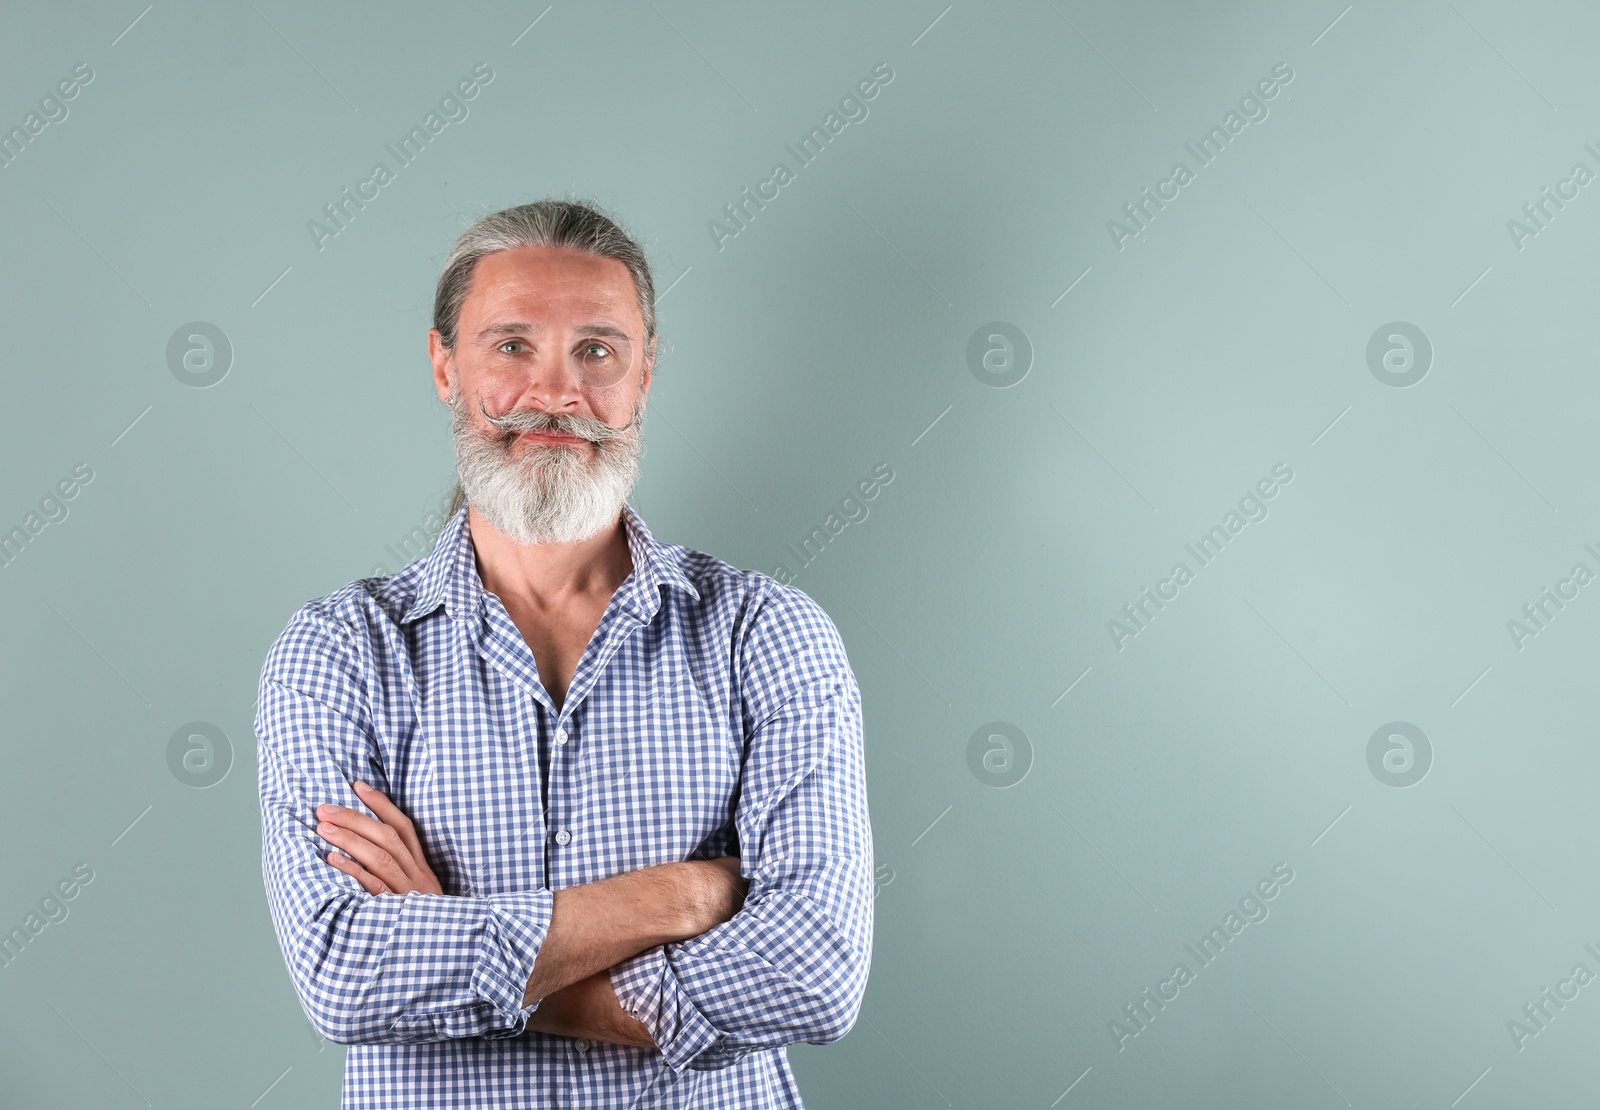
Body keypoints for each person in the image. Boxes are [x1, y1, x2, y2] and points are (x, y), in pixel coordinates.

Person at [255, 198, 874, 1108]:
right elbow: (345, 973)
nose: (556, 393)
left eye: (597, 350)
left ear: (645, 373)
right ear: (443, 366)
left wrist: (453, 942)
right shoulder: (339, 653)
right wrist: (676, 898)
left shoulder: (767, 635)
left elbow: (815, 972)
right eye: (511, 346)